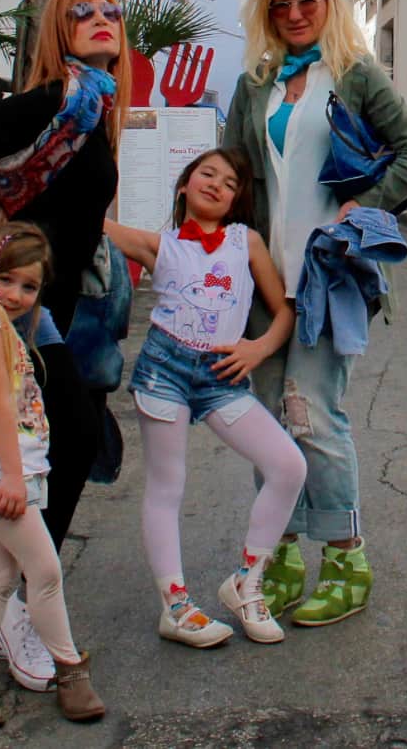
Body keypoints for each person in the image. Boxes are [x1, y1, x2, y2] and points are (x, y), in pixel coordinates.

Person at [221, 0, 407, 626]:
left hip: (328, 275)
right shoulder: (255, 82)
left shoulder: (354, 75)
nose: (292, 15)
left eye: (305, 3)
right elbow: (234, 171)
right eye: (281, 4)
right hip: (263, 279)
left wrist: (363, 206)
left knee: (311, 413)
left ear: (328, 5)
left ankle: (347, 556)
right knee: (267, 421)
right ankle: (277, 555)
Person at [0, 0, 132, 689]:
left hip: (38, 303)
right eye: (86, 14)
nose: (104, 21)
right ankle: (7, 602)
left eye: (113, 13)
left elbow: (75, 208)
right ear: (61, 31)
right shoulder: (61, 97)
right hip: (4, 299)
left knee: (33, 441)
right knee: (62, 437)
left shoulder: (95, 106)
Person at [102, 148, 307, 647]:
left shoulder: (246, 241)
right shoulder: (161, 246)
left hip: (221, 376)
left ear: (237, 199)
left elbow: (284, 309)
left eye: (229, 182)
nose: (216, 184)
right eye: (206, 174)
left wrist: (257, 349)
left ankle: (246, 582)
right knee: (166, 486)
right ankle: (175, 606)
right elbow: (93, 220)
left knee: (288, 466)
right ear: (183, 186)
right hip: (165, 371)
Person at [0, 223, 104, 731]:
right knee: (46, 574)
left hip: (10, 474)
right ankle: (69, 669)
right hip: (1, 477)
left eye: (29, 287)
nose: (16, 295)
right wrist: (7, 479)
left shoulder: (5, 328)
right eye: (6, 280)